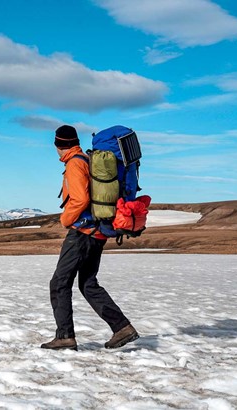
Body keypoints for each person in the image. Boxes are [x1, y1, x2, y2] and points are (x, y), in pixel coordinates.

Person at [41, 125, 138, 351]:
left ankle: (65, 336)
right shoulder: (86, 160)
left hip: (82, 234)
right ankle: (122, 327)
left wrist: (66, 220)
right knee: (88, 283)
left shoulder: (75, 164)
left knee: (59, 283)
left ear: (58, 145)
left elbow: (80, 199)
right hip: (98, 232)